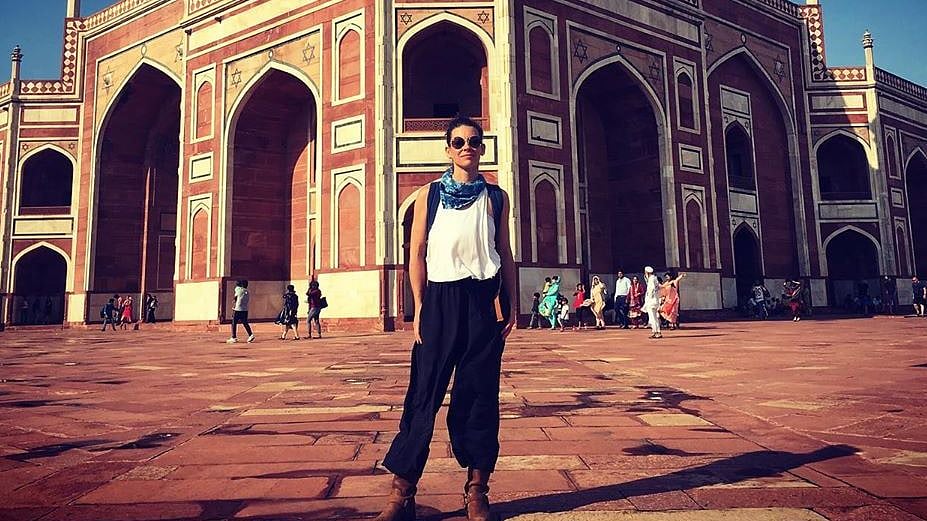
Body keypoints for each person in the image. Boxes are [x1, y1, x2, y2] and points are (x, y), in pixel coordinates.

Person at [375, 117, 517, 521]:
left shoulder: (496, 197)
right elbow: (417, 251)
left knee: (480, 395)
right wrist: (420, 305)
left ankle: (477, 490)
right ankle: (401, 493)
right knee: (424, 394)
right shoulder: (429, 194)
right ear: (448, 149)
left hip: (482, 301)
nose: (466, 147)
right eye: (458, 142)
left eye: (473, 141)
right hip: (440, 301)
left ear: (482, 148)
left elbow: (504, 250)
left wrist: (512, 302)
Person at [642, 266, 663, 339]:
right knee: (655, 317)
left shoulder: (651, 279)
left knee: (652, 318)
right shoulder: (655, 278)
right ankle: (658, 331)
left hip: (651, 301)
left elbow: (651, 289)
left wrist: (649, 298)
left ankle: (655, 332)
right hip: (655, 300)